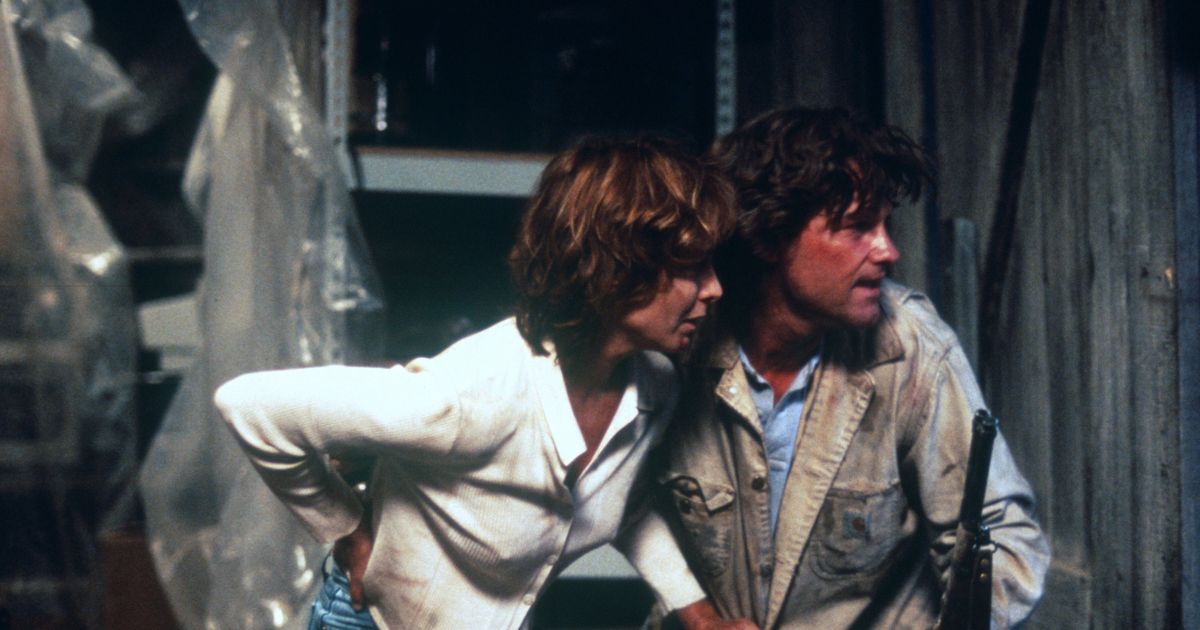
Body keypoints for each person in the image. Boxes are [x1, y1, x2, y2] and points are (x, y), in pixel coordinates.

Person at [213, 135, 757, 630]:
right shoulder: (470, 395)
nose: (715, 289)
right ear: (618, 267)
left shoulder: (655, 387)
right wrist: (346, 529)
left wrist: (700, 617)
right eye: (692, 267)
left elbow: (625, 506)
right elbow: (249, 405)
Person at [650, 107, 1051, 629]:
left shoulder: (911, 345)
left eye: (885, 225)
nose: (889, 251)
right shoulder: (682, 340)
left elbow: (1005, 542)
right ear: (768, 238)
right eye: (858, 227)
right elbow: (624, 505)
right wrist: (699, 618)